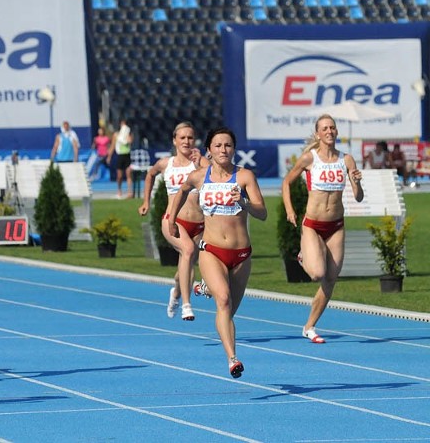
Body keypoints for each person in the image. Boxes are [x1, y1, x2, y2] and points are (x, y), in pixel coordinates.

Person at [168, 127, 267, 378]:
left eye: (228, 145)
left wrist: (243, 201)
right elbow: (180, 192)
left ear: (234, 149)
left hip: (241, 254)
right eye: (218, 145)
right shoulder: (199, 177)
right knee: (223, 301)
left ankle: (206, 288)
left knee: (229, 309)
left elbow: (262, 213)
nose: (223, 150)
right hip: (211, 250)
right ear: (209, 150)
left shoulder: (244, 177)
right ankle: (232, 359)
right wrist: (171, 219)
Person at [282, 114, 364, 344]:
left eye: (332, 127)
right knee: (317, 273)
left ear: (337, 132)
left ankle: (309, 326)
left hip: (336, 226)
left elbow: (358, 197)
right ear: (318, 134)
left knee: (330, 279)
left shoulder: (346, 160)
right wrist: (290, 210)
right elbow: (287, 182)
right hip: (313, 225)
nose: (329, 131)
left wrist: (356, 181)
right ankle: (302, 256)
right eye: (325, 128)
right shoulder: (310, 158)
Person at [138, 122, 210, 322]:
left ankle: (176, 293)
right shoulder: (165, 164)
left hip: (199, 223)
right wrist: (146, 202)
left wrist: (203, 165)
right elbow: (150, 174)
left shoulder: (201, 162)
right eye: (182, 137)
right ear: (174, 140)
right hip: (173, 219)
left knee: (186, 267)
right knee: (187, 251)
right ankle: (187, 306)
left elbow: (218, 178)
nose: (186, 141)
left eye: (190, 137)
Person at [108, 119, 134, 199]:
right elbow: (112, 146)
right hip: (120, 155)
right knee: (119, 175)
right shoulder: (116, 135)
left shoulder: (129, 134)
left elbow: (130, 141)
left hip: (127, 155)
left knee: (128, 174)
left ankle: (130, 192)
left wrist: (127, 136)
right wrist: (109, 156)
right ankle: (119, 190)